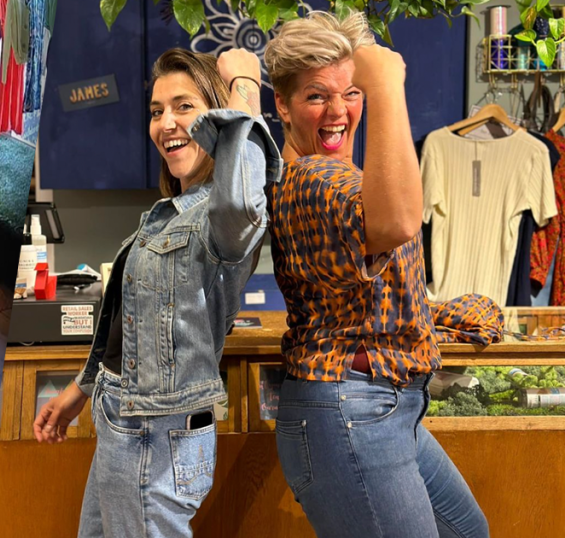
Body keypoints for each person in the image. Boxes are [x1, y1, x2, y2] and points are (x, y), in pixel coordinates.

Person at [33, 48, 281, 538]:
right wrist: (80, 390)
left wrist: (245, 86)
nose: (166, 123)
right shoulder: (169, 212)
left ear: (216, 115)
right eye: (156, 110)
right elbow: (127, 332)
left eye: (184, 106)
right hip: (124, 424)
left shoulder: (219, 217)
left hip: (154, 437)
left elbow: (240, 201)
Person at [262, 12, 489, 538]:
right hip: (350, 408)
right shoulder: (313, 178)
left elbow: (366, 288)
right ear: (283, 105)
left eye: (352, 92)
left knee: (466, 530)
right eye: (316, 96)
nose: (338, 110)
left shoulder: (341, 174)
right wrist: (384, 83)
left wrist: (431, 315)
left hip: (379, 406)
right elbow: (397, 222)